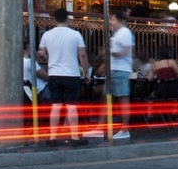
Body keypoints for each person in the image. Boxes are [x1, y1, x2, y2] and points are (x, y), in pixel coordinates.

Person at [38, 8, 90, 147]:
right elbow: (82, 55)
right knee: (71, 107)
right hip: (71, 74)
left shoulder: (47, 35)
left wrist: (49, 57)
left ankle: (53, 137)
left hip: (54, 74)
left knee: (55, 106)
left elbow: (41, 53)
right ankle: (74, 138)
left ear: (55, 19)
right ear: (68, 19)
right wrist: (86, 73)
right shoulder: (75, 34)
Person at [86, 11, 135, 140]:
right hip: (114, 70)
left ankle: (125, 129)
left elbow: (126, 50)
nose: (110, 22)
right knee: (105, 99)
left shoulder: (124, 33)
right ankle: (100, 127)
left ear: (116, 19)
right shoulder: (117, 34)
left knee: (122, 99)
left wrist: (110, 52)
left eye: (111, 19)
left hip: (120, 70)